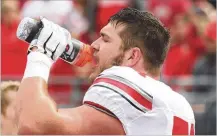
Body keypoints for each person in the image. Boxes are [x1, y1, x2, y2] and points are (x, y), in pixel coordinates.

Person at [15, 8, 195, 135]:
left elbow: (34, 125)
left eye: (105, 39)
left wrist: (41, 55)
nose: (94, 45)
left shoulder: (123, 78)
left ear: (132, 56)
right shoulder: (177, 103)